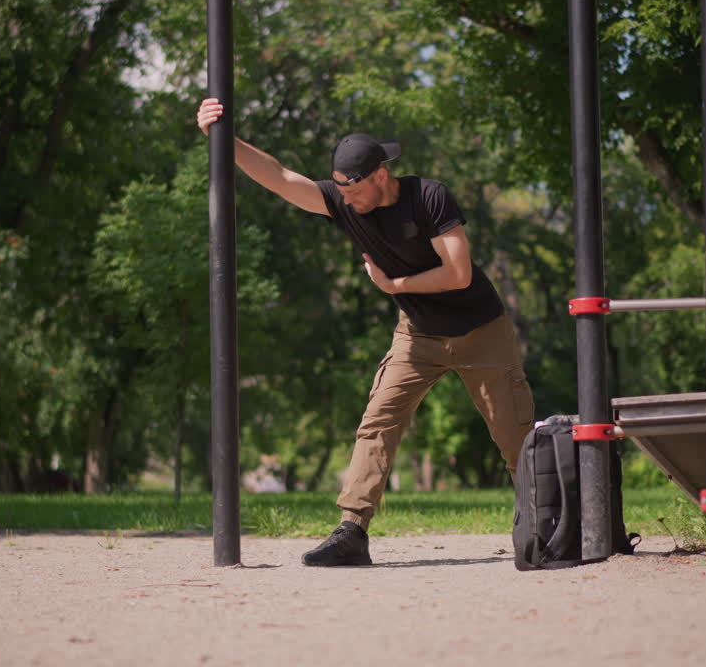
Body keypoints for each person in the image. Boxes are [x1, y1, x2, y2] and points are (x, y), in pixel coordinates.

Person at [197, 98, 535, 566]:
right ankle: (352, 531)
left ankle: (545, 521)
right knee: (377, 422)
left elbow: (457, 273)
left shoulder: (429, 197)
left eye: (352, 190)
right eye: (339, 191)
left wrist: (394, 286)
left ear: (380, 175)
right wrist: (222, 137)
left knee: (514, 435)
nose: (345, 200)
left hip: (481, 331)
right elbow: (280, 177)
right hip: (417, 334)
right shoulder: (343, 200)